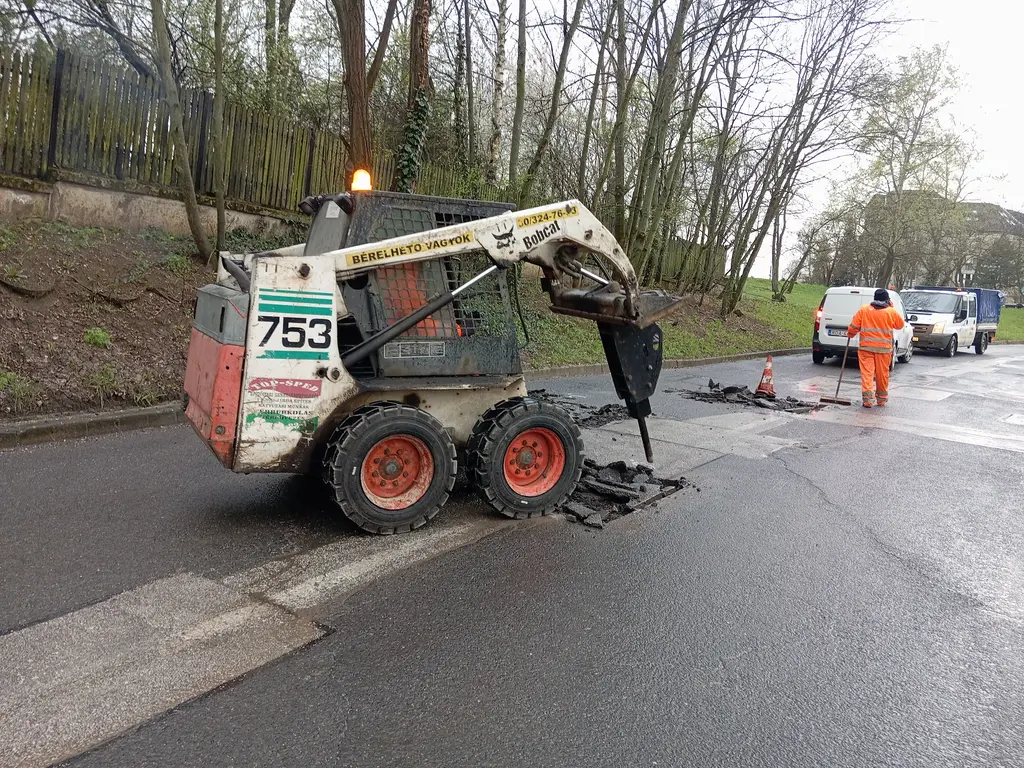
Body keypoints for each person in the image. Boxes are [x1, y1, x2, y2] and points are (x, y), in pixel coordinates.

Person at [847, 288, 905, 408]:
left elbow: (853, 326)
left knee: (867, 373)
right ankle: (881, 399)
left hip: (866, 348)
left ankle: (868, 400)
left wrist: (850, 334)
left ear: (874, 298)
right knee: (882, 374)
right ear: (887, 300)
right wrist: (892, 308)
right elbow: (900, 325)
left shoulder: (864, 310)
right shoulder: (891, 312)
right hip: (884, 350)